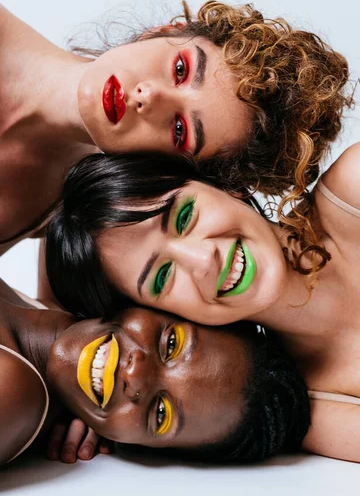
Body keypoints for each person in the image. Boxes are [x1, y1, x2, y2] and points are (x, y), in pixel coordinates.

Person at [46, 142, 360, 462]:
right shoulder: (316, 406)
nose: (204, 259)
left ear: (224, 184)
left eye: (184, 217)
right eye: (162, 277)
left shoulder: (353, 189)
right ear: (160, 313)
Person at [0, 1, 351, 259]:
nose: (149, 97)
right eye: (181, 69)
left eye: (181, 129)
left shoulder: (69, 208)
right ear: (164, 32)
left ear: (171, 164)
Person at [0, 275, 309, 466]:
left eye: (161, 414)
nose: (135, 375)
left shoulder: (11, 392)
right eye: (171, 343)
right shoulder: (49, 297)